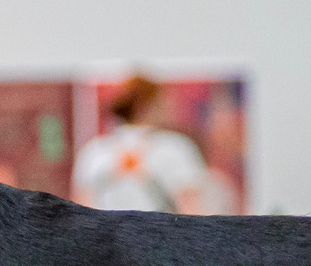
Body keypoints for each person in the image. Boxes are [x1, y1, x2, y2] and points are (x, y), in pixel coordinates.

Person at [73, 75, 217, 213]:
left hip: (106, 230)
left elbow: (80, 212)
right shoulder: (173, 149)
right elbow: (191, 211)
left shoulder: (94, 152)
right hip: (158, 230)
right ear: (151, 104)